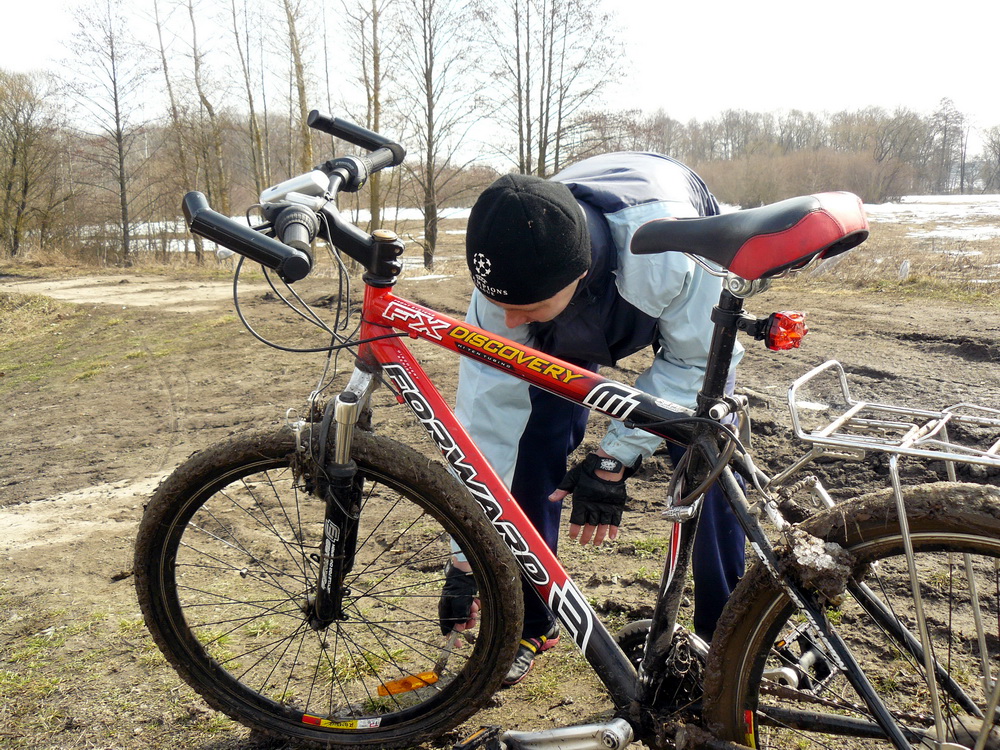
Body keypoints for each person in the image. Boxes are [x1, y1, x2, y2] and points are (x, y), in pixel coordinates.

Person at [437, 152, 746, 686]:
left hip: (661, 273)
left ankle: (730, 636)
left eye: (526, 309)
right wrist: (468, 556)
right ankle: (530, 621)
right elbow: (486, 427)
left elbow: (694, 364)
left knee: (706, 455)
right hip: (571, 298)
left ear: (578, 275)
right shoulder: (508, 279)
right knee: (532, 443)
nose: (507, 320)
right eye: (497, 304)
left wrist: (614, 457)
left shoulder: (672, 257)